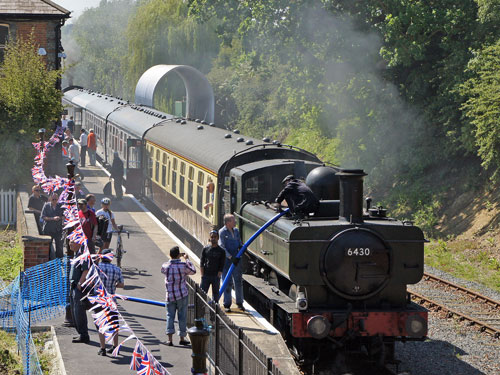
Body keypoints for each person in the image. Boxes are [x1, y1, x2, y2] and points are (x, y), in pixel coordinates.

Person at [161, 246, 196, 346]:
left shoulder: (165, 266)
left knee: (169, 316)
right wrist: (187, 259)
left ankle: (170, 339)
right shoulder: (183, 265)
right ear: (178, 255)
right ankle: (182, 337)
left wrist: (173, 258)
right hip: (182, 295)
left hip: (170, 296)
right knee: (182, 317)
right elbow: (193, 271)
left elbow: (163, 270)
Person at [95, 248, 124, 356]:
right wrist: (113, 285)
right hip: (111, 300)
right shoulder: (117, 269)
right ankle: (115, 346)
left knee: (101, 324)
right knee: (114, 324)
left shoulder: (97, 268)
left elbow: (92, 282)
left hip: (99, 299)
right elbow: (121, 285)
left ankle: (102, 348)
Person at [219, 214, 244, 312]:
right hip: (227, 261)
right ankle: (227, 304)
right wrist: (230, 257)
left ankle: (240, 302)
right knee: (227, 282)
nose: (235, 222)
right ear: (228, 222)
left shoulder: (236, 231)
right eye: (234, 221)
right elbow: (222, 246)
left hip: (236, 260)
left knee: (238, 281)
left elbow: (239, 242)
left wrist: (241, 248)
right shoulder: (222, 232)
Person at [69, 241, 90, 344]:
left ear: (78, 243)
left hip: (78, 288)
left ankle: (84, 335)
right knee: (74, 312)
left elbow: (86, 270)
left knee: (79, 312)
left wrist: (80, 283)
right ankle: (81, 333)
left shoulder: (82, 255)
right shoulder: (76, 254)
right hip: (73, 286)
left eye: (72, 242)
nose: (69, 244)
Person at [200, 229, 226, 301]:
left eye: (215, 237)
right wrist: (202, 275)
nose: (213, 239)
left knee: (215, 296)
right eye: (212, 237)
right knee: (202, 294)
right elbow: (202, 262)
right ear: (209, 238)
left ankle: (215, 310)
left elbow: (222, 263)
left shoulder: (221, 251)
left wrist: (219, 274)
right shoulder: (205, 249)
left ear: (218, 238)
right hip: (206, 275)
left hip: (215, 276)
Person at [41, 193, 64, 259]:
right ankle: (48, 260)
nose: (54, 201)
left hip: (58, 229)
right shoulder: (46, 205)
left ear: (58, 199)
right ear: (50, 199)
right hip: (48, 229)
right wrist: (53, 218)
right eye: (53, 199)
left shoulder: (61, 206)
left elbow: (64, 216)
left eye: (55, 199)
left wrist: (60, 217)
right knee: (48, 246)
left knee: (59, 247)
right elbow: (43, 216)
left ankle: (59, 261)